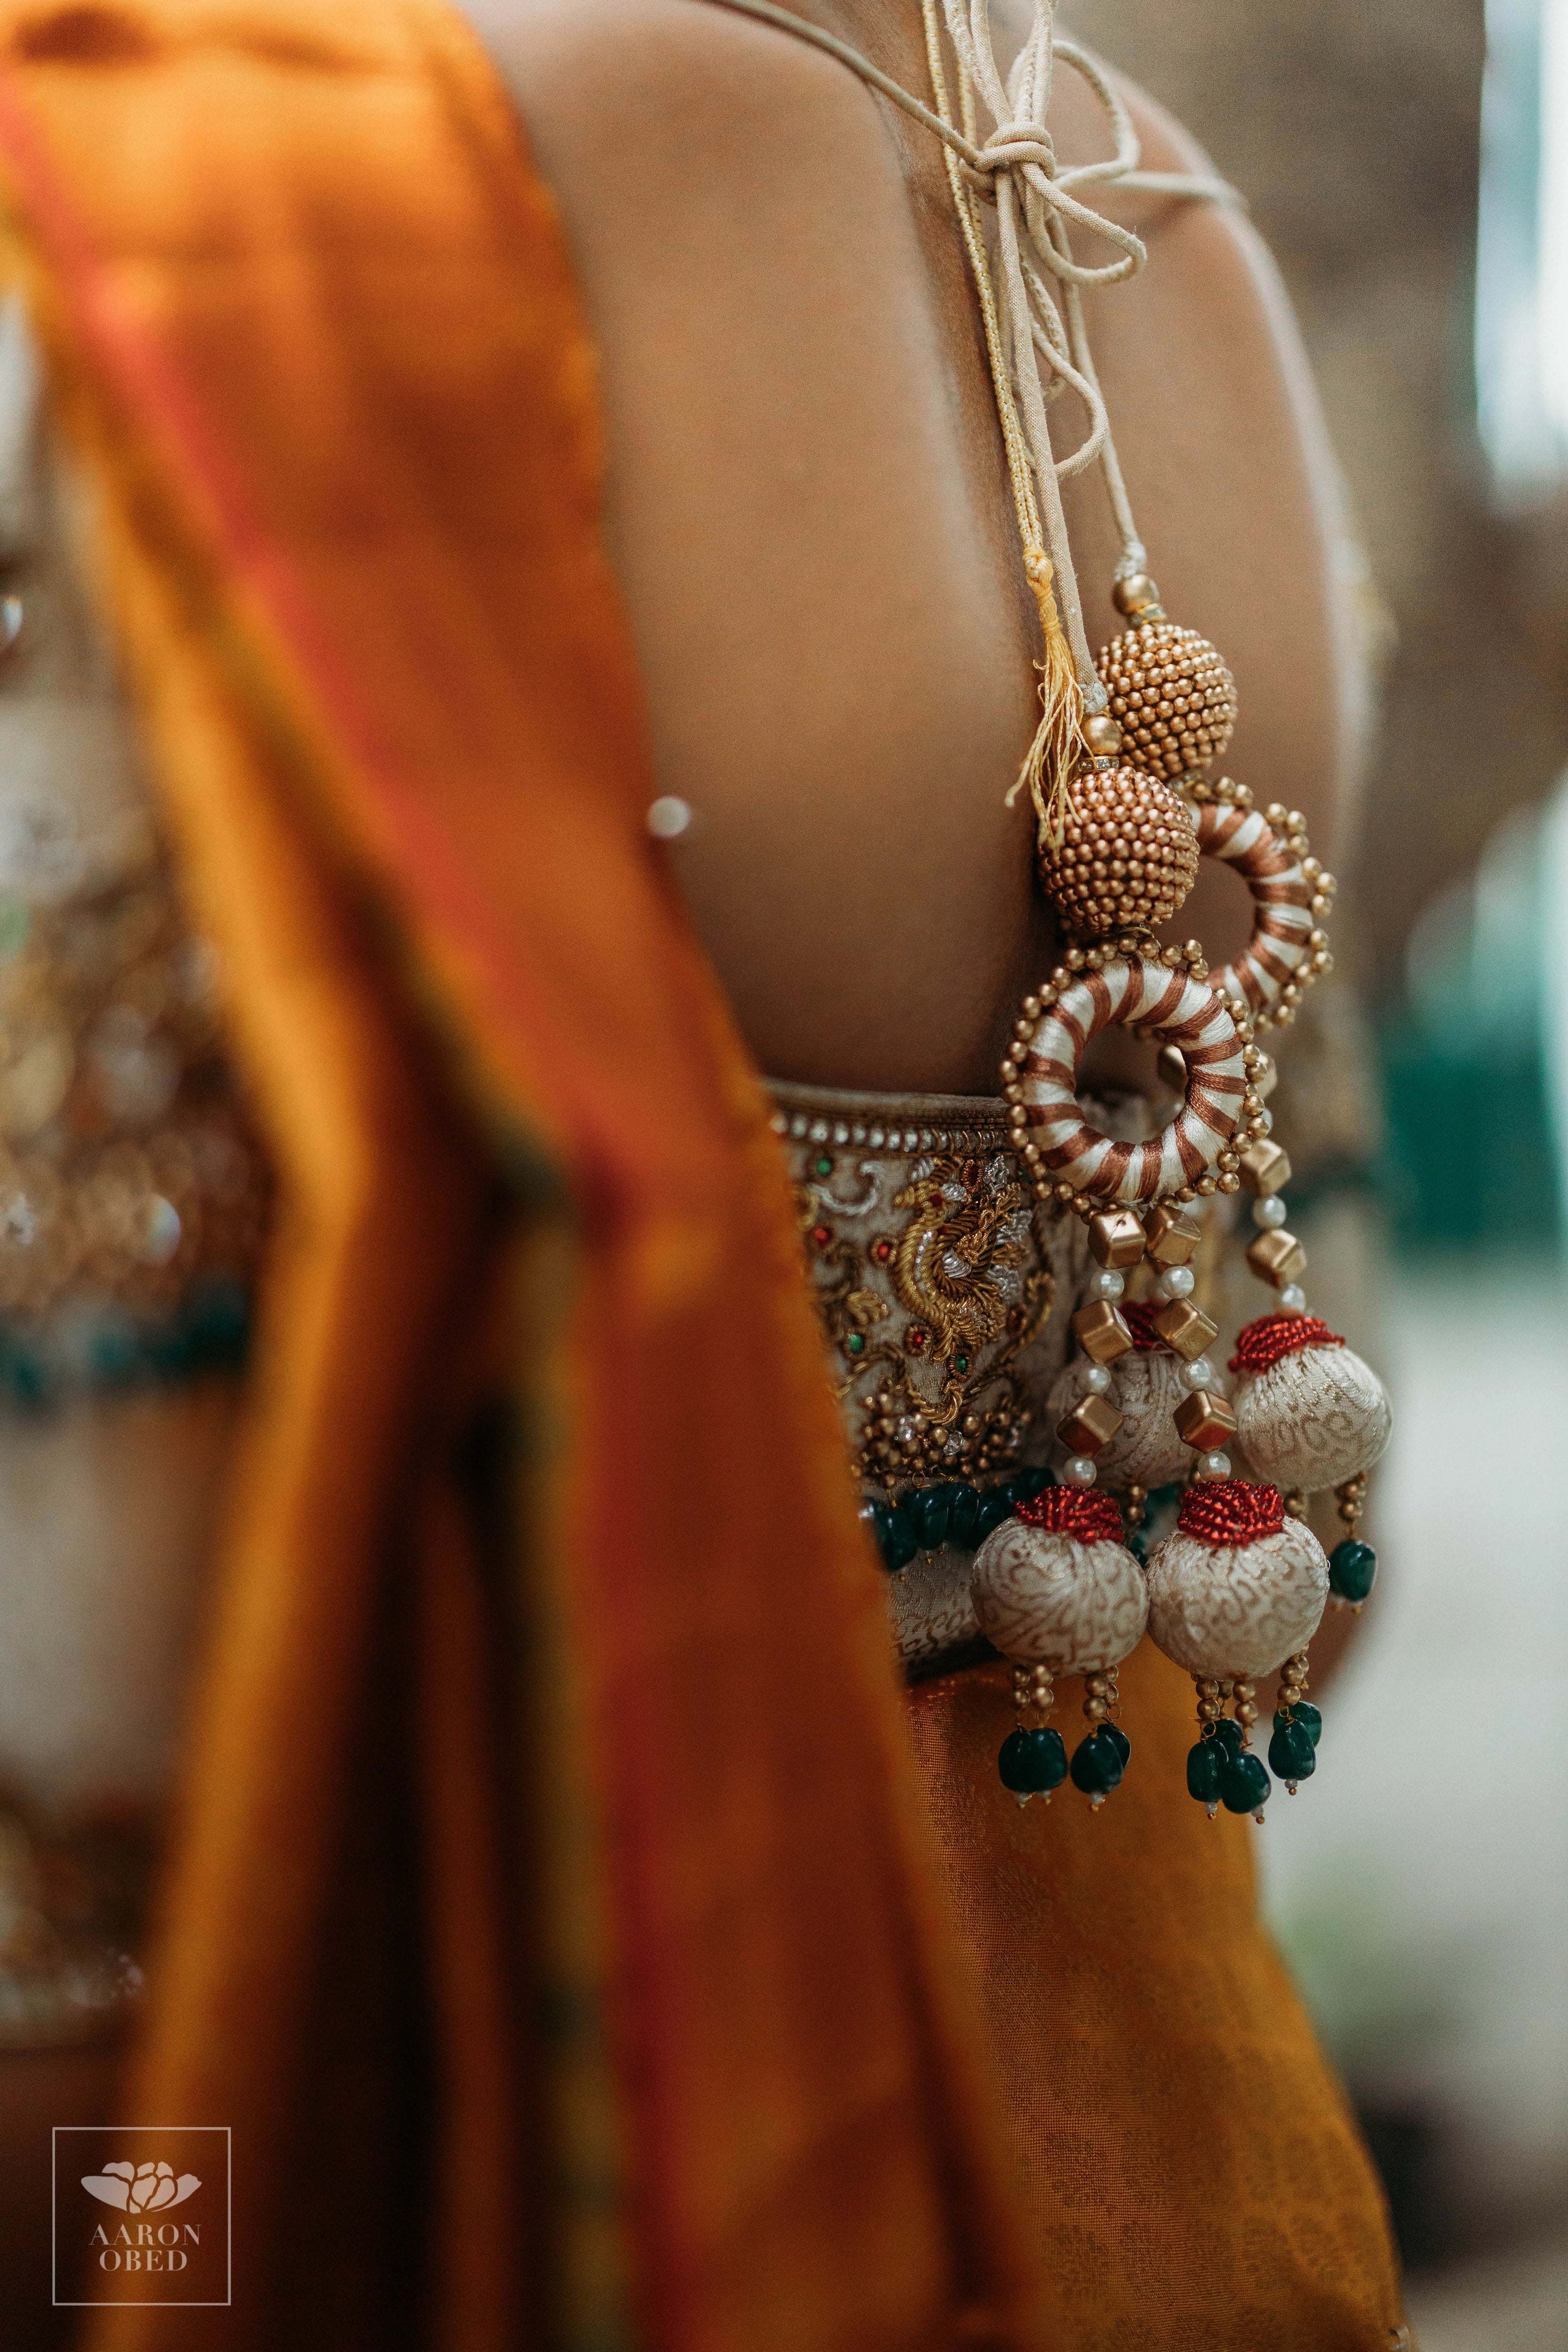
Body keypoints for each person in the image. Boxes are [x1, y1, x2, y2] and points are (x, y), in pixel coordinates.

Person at [0, 1, 1403, 2344]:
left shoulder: (247, 230)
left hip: (533, 2202)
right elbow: (1292, 1562)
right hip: (1164, 2221)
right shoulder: (1195, 247)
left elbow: (73, 1880)